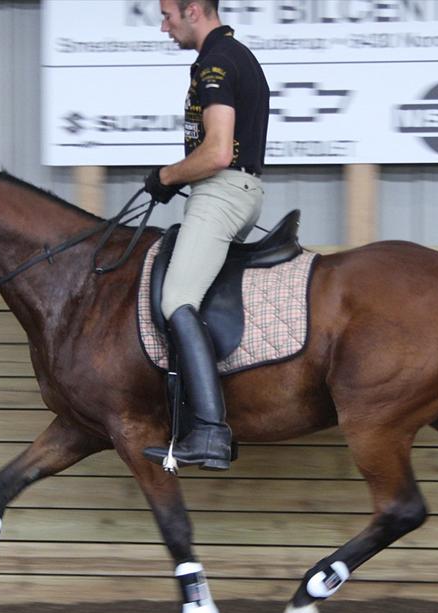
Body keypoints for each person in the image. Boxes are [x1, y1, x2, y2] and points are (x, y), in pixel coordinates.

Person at [142, 0, 270, 471]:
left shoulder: (215, 62)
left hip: (222, 190)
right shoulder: (236, 55)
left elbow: (217, 152)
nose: (163, 27)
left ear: (193, 10)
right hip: (233, 190)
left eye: (167, 16)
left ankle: (211, 432)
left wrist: (168, 175)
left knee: (177, 298)